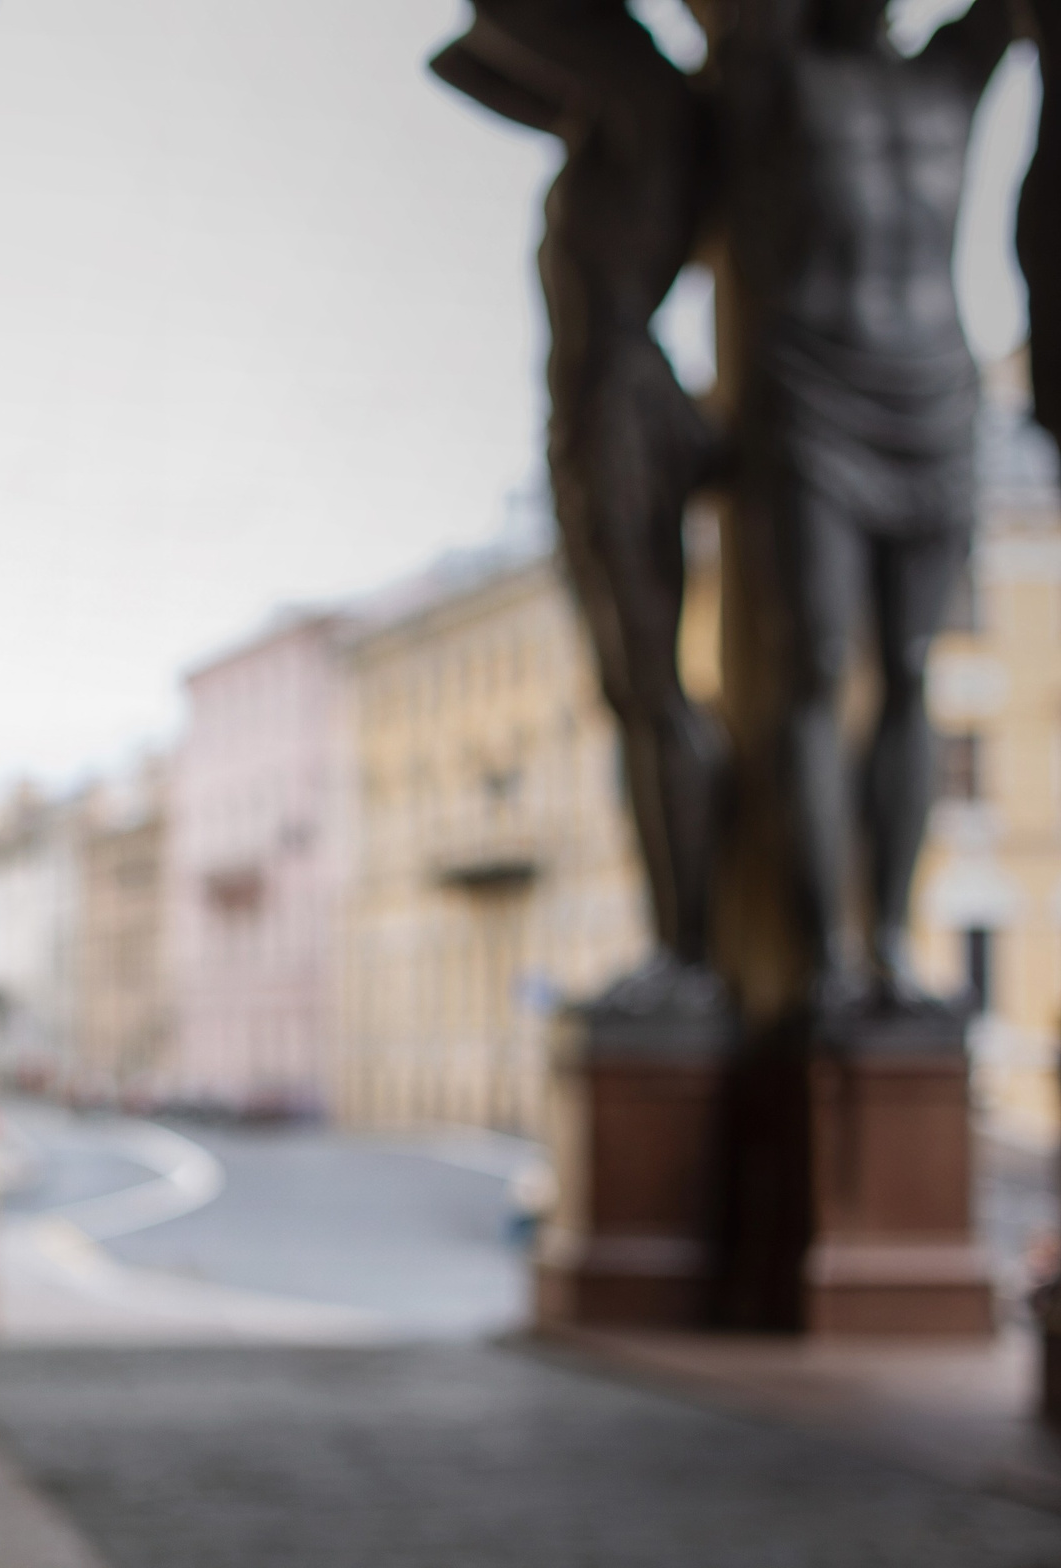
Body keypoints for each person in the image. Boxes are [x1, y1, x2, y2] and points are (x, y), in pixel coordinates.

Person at [434, 0, 726, 1011]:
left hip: (621, 416)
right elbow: (471, 60)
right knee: (631, 694)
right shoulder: (614, 133)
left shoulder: (648, 116)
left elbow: (498, 27)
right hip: (590, 420)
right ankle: (682, 940)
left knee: (652, 692)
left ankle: (693, 944)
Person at [722, 0, 1014, 1008]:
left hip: (932, 389)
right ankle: (826, 958)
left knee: (910, 666)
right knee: (816, 662)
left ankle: (887, 937)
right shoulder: (778, 76)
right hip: (814, 389)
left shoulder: (952, 72)